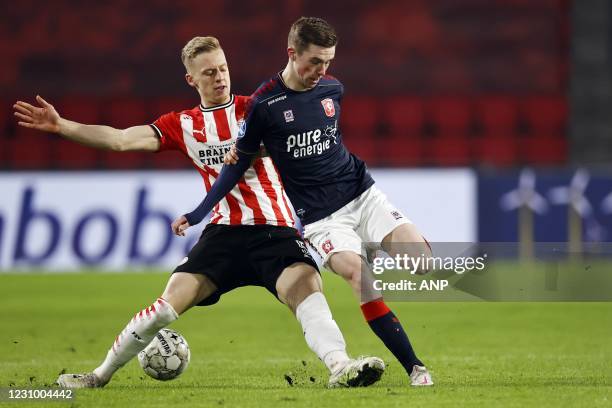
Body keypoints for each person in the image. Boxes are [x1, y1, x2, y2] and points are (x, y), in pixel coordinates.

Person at [13, 36, 385, 389]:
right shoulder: (183, 124)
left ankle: (341, 366)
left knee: (306, 290)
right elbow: (120, 139)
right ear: (191, 79)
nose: (219, 77)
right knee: (163, 309)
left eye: (222, 68)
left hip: (275, 229)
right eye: (209, 72)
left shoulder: (256, 109)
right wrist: (62, 126)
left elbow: (306, 129)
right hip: (223, 235)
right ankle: (98, 375)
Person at [174, 18, 434, 386]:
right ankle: (416, 368)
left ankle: (372, 247)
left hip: (362, 194)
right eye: (314, 61)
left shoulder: (333, 89)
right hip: (320, 218)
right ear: (292, 53)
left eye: (327, 62)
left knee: (421, 264)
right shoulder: (264, 105)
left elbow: (324, 140)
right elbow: (234, 169)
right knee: (357, 274)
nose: (321, 71)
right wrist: (198, 213)